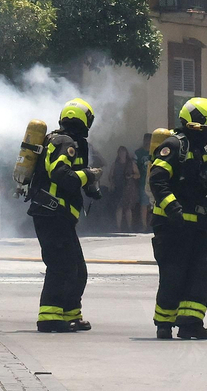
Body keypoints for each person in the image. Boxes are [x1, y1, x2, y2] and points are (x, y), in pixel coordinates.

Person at [148, 97, 207, 340]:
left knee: (202, 275)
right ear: (197, 125)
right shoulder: (174, 146)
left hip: (197, 227)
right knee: (173, 275)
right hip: (172, 225)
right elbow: (157, 179)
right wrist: (173, 209)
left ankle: (190, 324)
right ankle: (164, 325)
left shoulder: (202, 154)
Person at [27, 98, 102, 333]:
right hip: (51, 213)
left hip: (59, 215)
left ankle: (71, 314)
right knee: (61, 266)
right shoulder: (64, 142)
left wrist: (89, 184)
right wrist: (87, 175)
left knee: (77, 268)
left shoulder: (71, 143)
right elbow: (61, 174)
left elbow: (72, 175)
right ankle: (49, 317)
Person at [109, 146, 139, 232]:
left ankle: (129, 228)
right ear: (118, 154)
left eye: (123, 152)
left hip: (128, 188)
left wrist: (131, 176)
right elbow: (110, 176)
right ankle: (118, 228)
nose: (122, 154)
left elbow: (138, 175)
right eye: (120, 152)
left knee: (128, 208)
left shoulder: (131, 164)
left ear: (126, 153)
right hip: (118, 187)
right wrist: (112, 183)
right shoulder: (115, 164)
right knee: (119, 208)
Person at [134, 133, 153, 231]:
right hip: (143, 182)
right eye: (146, 140)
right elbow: (134, 165)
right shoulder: (138, 153)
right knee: (144, 204)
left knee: (154, 204)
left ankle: (152, 224)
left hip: (153, 181)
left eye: (149, 140)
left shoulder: (155, 152)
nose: (147, 142)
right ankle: (144, 226)